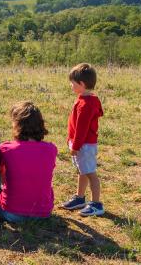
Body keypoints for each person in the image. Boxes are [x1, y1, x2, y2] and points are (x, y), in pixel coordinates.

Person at [0, 101, 57, 223]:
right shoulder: (51, 149)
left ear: (17, 125)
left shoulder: (5, 148)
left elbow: (0, 174)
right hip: (43, 214)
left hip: (11, 212)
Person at [61, 63, 105, 216]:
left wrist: (75, 145)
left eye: (72, 83)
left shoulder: (86, 105)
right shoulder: (84, 99)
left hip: (84, 145)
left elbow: (82, 129)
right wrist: (70, 139)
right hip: (80, 144)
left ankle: (96, 204)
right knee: (82, 171)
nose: (70, 85)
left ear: (82, 84)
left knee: (90, 173)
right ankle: (80, 198)